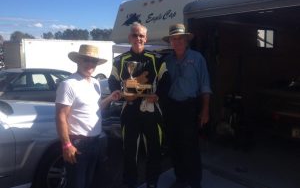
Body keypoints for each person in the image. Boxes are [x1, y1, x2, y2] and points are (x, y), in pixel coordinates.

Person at [108, 22, 170, 188]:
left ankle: (152, 184)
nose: (138, 38)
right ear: (129, 38)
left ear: (146, 38)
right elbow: (112, 81)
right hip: (129, 111)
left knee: (154, 151)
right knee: (129, 153)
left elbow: (166, 80)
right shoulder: (120, 60)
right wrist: (121, 95)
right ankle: (130, 184)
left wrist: (158, 95)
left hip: (151, 110)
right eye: (135, 35)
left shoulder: (156, 58)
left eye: (141, 35)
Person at [55, 44, 121, 188]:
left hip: (97, 142)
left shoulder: (95, 83)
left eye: (94, 61)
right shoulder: (68, 84)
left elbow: (95, 108)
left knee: (91, 182)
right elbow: (61, 117)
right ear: (78, 61)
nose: (90, 64)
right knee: (77, 184)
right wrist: (66, 145)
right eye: (86, 60)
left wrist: (110, 98)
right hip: (78, 144)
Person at [162, 24, 212, 188]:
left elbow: (205, 86)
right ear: (170, 42)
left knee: (190, 147)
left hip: (190, 107)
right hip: (171, 108)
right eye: (173, 39)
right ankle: (181, 179)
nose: (177, 42)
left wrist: (205, 110)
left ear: (186, 40)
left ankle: (195, 182)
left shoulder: (198, 58)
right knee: (174, 145)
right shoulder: (166, 61)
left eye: (180, 38)